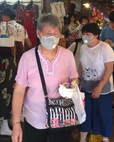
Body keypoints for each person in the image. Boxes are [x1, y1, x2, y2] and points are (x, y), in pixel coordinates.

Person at [11, 14, 79, 142]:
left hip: (61, 116)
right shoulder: (27, 58)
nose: (53, 38)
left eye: (56, 33)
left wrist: (71, 87)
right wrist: (16, 124)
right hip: (34, 119)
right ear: (38, 34)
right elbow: (19, 92)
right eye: (48, 34)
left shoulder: (68, 55)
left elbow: (74, 79)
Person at [79, 23, 114, 142]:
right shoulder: (83, 47)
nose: (85, 37)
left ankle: (105, 137)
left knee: (103, 114)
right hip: (86, 86)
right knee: (85, 114)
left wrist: (99, 87)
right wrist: (78, 80)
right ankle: (82, 139)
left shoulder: (105, 48)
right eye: (83, 34)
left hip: (103, 87)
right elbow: (81, 65)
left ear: (96, 35)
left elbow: (109, 68)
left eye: (88, 34)